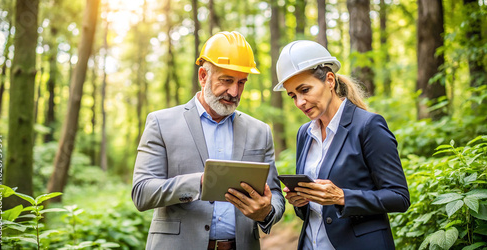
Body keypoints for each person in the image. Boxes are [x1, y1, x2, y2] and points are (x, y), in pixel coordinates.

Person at [132, 31, 285, 250]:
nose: (234, 91)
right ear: (203, 76)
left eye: (241, 82)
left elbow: (275, 194)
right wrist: (201, 182)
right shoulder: (160, 123)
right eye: (226, 80)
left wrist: (266, 212)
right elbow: (141, 192)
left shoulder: (260, 131)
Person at [274, 40, 410, 249]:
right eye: (293, 95)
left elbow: (399, 197)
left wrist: (341, 196)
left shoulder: (368, 126)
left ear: (329, 80)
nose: (299, 102)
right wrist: (301, 201)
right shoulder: (304, 133)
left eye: (305, 90)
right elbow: (313, 210)